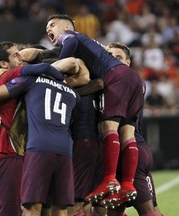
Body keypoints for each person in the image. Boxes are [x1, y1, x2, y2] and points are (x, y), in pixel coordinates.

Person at [46, 14, 144, 205]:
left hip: (115, 76)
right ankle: (127, 184)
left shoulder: (70, 36)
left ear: (66, 27)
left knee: (109, 128)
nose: (49, 29)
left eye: (52, 25)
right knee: (127, 133)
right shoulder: (90, 44)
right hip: (132, 79)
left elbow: (70, 43)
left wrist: (56, 68)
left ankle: (109, 179)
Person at [0, 55, 89, 216]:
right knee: (60, 208)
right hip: (65, 151)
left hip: (39, 148)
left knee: (32, 207)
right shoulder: (73, 94)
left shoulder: (32, 81)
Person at [102, 42, 164, 216]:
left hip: (132, 151)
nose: (113, 61)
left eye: (118, 57)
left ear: (128, 62)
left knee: (148, 210)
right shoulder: (105, 82)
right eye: (109, 56)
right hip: (115, 155)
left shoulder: (131, 82)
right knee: (114, 212)